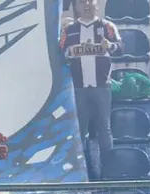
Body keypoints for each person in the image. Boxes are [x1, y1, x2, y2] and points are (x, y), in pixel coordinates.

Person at [60, 0, 122, 180]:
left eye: (90, 1)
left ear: (96, 4)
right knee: (79, 130)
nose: (87, 5)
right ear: (76, 6)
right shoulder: (69, 29)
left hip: (102, 86)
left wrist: (109, 46)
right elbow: (60, 51)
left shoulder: (107, 26)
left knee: (105, 128)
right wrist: (69, 53)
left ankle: (108, 172)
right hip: (79, 88)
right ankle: (81, 171)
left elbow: (120, 47)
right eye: (82, 2)